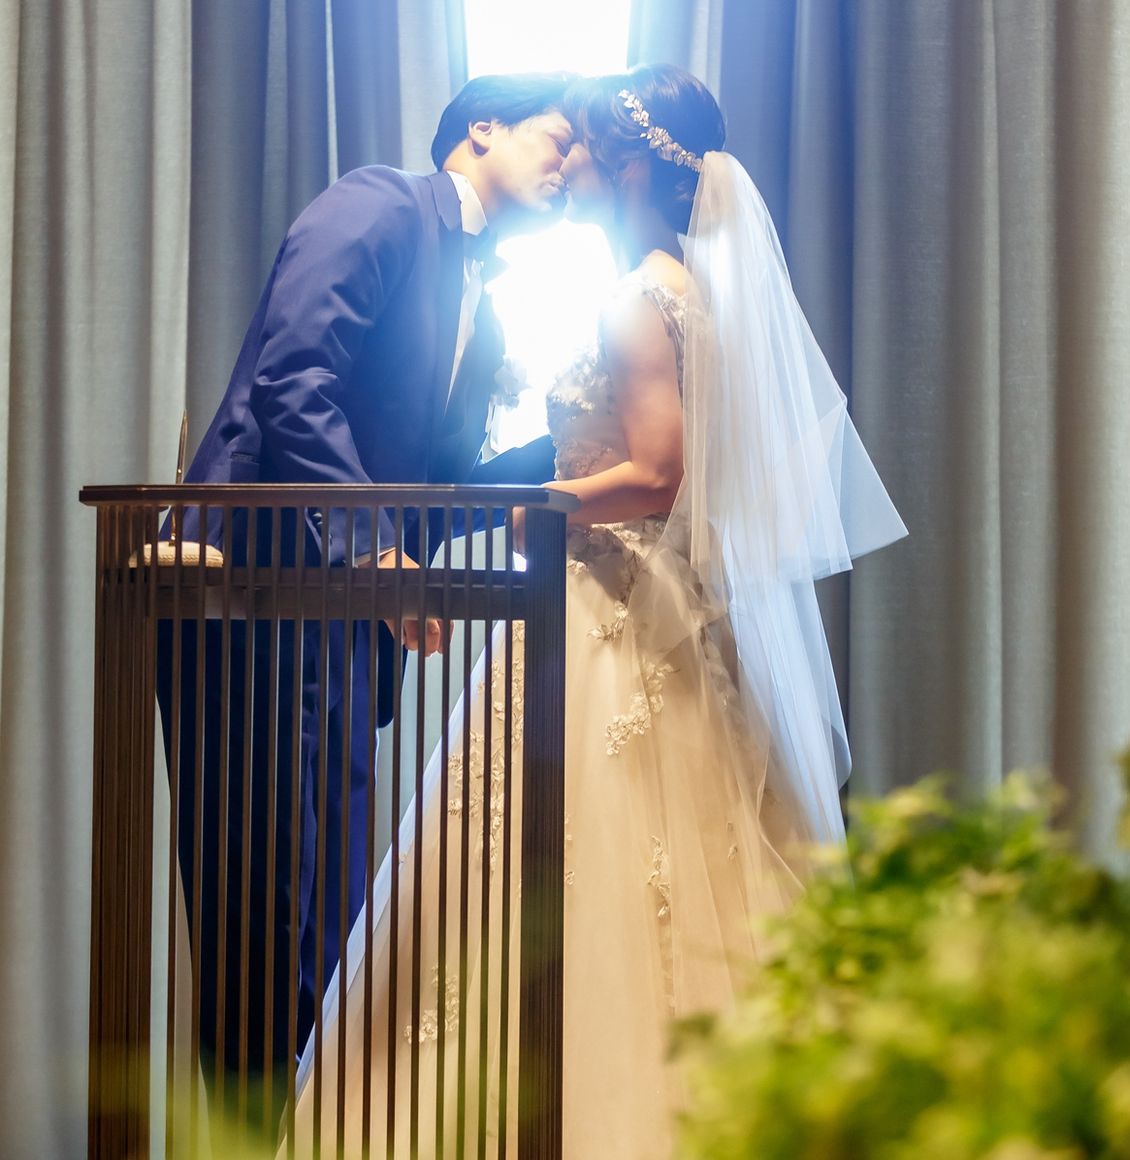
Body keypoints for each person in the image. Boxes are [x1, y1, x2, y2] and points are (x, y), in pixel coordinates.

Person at [289, 64, 907, 1156]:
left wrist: (540, 504)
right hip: (653, 602)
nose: (566, 165)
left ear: (626, 168)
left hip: (608, 604)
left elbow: (660, 472)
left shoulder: (636, 298)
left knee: (576, 855)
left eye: (580, 149)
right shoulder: (690, 291)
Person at [156, 72, 572, 1134]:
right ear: (482, 128)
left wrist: (573, 460)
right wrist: (373, 550)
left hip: (344, 623)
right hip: (252, 592)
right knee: (258, 913)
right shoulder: (380, 202)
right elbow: (293, 380)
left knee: (330, 919)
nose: (568, 167)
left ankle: (312, 1137)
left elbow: (433, 489)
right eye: (557, 140)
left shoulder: (482, 301)